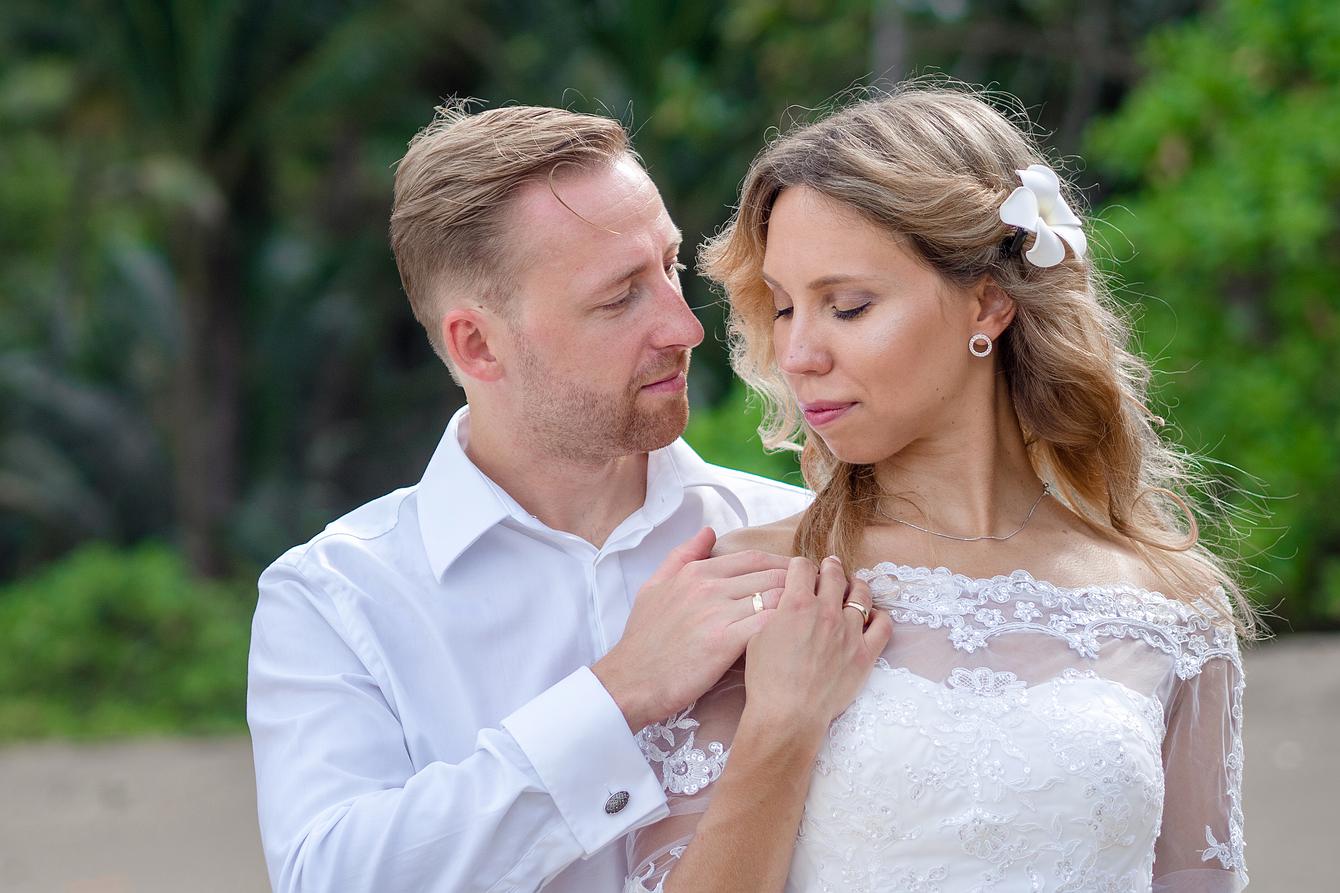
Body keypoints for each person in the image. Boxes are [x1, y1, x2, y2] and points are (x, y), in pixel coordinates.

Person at [625, 84, 1257, 892]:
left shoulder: (1171, 606)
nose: (799, 354)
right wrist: (782, 725)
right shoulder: (749, 587)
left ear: (988, 303)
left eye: (847, 306)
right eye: (783, 308)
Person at [246, 103, 885, 892]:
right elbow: (331, 877)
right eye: (620, 297)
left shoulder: (797, 534)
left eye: (670, 267)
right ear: (477, 344)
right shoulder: (335, 599)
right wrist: (617, 694)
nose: (685, 328)